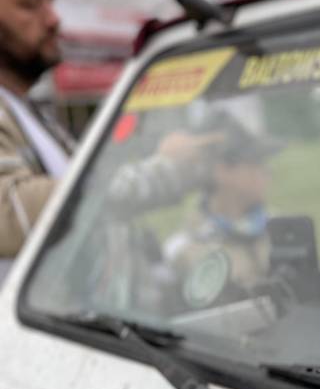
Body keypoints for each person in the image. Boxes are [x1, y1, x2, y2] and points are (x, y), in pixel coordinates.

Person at [106, 112, 280, 310]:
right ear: (223, 170)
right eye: (256, 163)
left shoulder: (281, 229)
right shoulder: (182, 251)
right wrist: (178, 162)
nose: (267, 173)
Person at [0, 0, 72, 281]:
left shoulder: (29, 111)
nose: (53, 19)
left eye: (50, 0)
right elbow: (6, 211)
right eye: (30, 4)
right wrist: (135, 177)